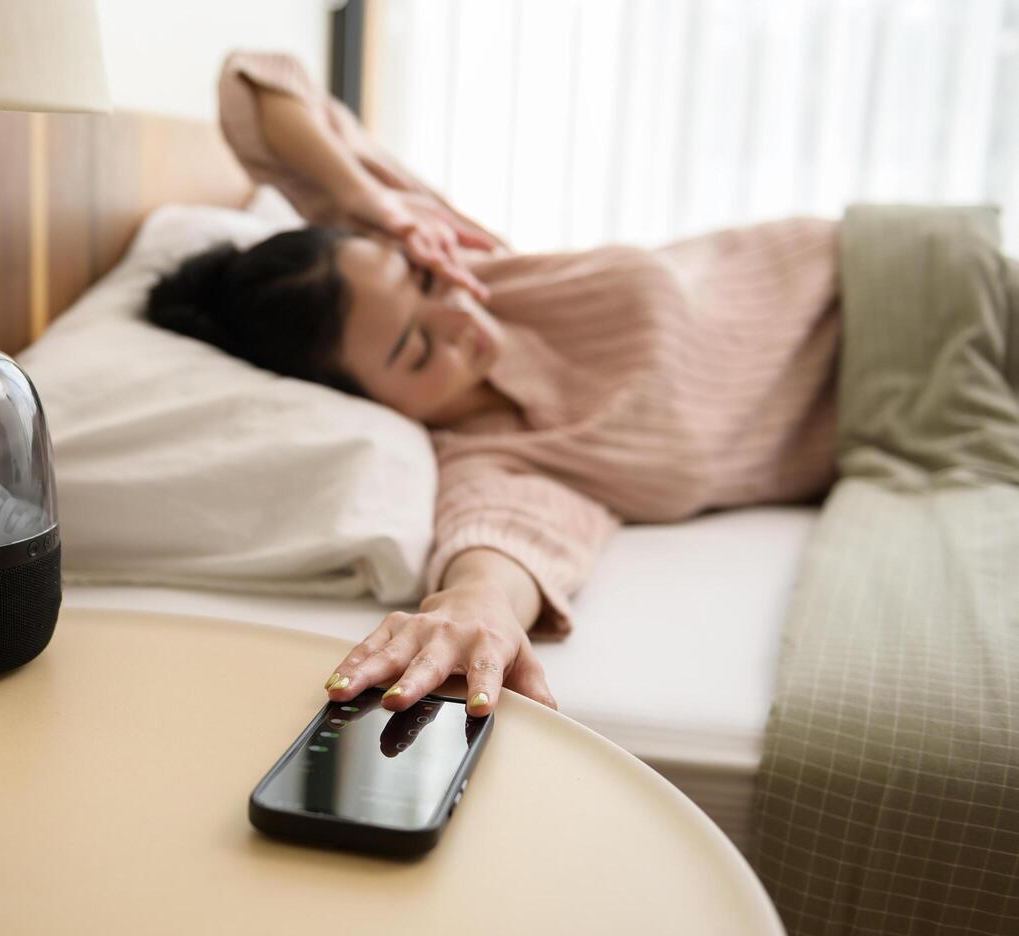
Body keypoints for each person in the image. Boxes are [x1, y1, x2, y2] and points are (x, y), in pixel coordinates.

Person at [146, 52, 841, 719]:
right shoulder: (490, 457)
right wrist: (474, 601)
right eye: (418, 349)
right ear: (368, 400)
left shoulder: (469, 262)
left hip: (869, 269)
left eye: (420, 281)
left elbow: (257, 81)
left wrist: (375, 204)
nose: (460, 316)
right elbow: (500, 541)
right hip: (895, 418)